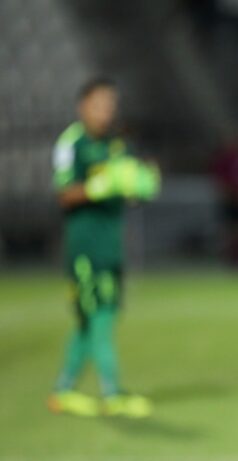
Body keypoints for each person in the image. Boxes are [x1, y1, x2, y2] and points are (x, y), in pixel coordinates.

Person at [48, 77, 160, 418]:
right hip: (84, 248)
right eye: (99, 105)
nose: (106, 112)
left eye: (110, 105)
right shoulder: (72, 143)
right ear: (82, 106)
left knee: (90, 320)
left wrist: (143, 184)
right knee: (100, 318)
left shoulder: (117, 145)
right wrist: (100, 185)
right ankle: (113, 394)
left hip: (111, 245)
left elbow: (132, 185)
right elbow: (64, 195)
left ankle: (63, 391)